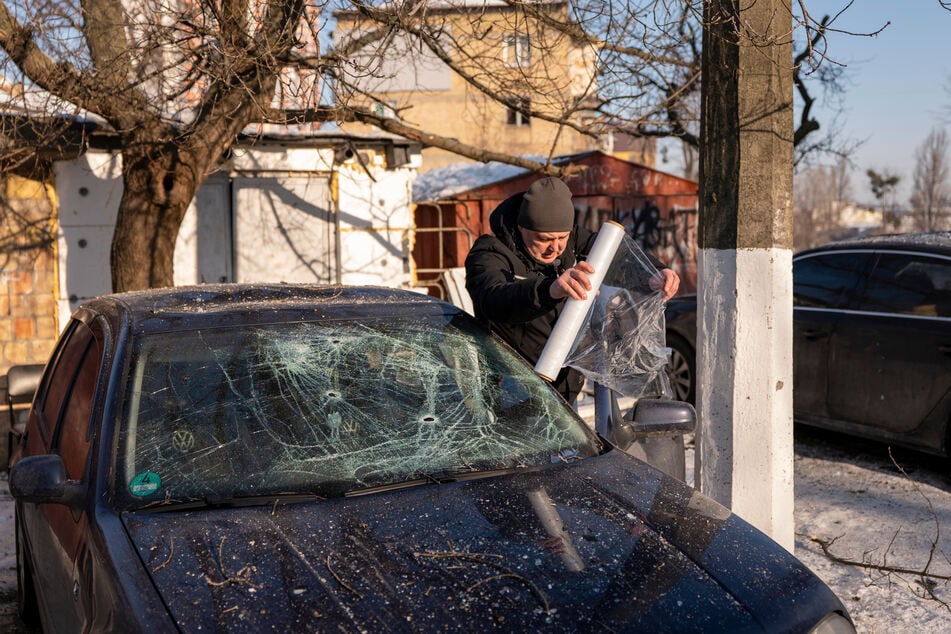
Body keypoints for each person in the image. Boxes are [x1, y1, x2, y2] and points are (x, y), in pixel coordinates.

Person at [464, 176, 680, 404]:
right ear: (521, 227)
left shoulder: (574, 241)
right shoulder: (489, 253)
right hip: (511, 390)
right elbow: (493, 300)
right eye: (544, 239)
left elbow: (616, 257)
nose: (555, 248)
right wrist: (550, 289)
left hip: (566, 387)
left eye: (562, 238)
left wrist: (654, 273)